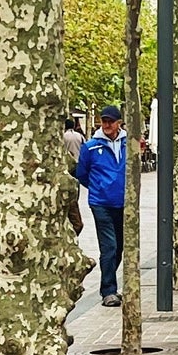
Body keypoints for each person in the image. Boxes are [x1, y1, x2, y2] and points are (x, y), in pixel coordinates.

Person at [76, 104, 128, 306]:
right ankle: (109, 291)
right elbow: (82, 174)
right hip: (101, 204)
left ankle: (110, 284)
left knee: (120, 248)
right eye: (103, 120)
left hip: (124, 204)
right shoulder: (90, 147)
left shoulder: (127, 144)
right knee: (109, 247)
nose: (106, 124)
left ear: (118, 123)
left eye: (110, 121)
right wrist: (98, 188)